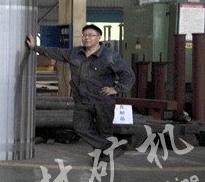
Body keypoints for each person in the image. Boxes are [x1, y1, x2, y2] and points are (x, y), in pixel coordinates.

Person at [26, 25, 134, 160]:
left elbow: (128, 74)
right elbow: (55, 52)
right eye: (85, 35)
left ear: (99, 38)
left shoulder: (109, 56)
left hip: (102, 100)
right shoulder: (74, 53)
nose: (87, 38)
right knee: (80, 127)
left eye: (91, 35)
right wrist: (35, 47)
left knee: (104, 131)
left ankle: (102, 158)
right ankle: (110, 148)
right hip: (82, 100)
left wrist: (116, 89)